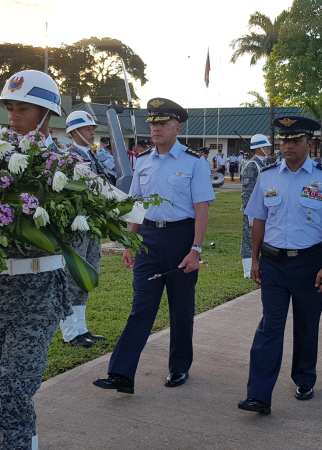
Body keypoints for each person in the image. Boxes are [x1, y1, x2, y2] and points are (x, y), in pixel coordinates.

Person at [0, 70, 69, 450]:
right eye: (9, 107)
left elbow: (78, 231)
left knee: (13, 388)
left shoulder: (68, 167)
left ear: (47, 114)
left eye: (22, 108)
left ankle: (19, 444)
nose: (12, 116)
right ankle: (24, 438)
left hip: (38, 292)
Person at [93, 98, 215, 394]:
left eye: (162, 123)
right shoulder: (144, 162)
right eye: (153, 123)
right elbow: (138, 206)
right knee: (141, 308)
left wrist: (195, 249)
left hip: (180, 239)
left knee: (180, 308)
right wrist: (129, 244)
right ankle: (121, 374)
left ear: (177, 127)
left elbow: (202, 210)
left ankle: (179, 367)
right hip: (148, 240)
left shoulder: (193, 162)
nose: (156, 128)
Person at [237, 115, 322, 415]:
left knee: (305, 326)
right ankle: (259, 394)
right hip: (273, 264)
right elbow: (258, 220)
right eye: (284, 140)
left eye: (295, 140)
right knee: (270, 327)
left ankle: (304, 379)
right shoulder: (267, 176)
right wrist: (255, 259)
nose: (287, 145)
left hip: (309, 264)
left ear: (309, 144)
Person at [58, 111, 107, 348]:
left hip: (93, 224)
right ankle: (69, 331)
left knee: (88, 274)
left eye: (92, 129)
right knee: (72, 277)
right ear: (73, 133)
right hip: (76, 226)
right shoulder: (67, 157)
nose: (92, 133)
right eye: (87, 129)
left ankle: (81, 327)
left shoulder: (93, 156)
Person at [241, 134, 273, 278]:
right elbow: (247, 191)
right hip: (253, 210)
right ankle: (248, 270)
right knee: (249, 239)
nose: (268, 148)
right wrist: (249, 211)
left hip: (266, 207)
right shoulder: (252, 165)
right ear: (258, 148)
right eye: (266, 146)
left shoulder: (264, 164)